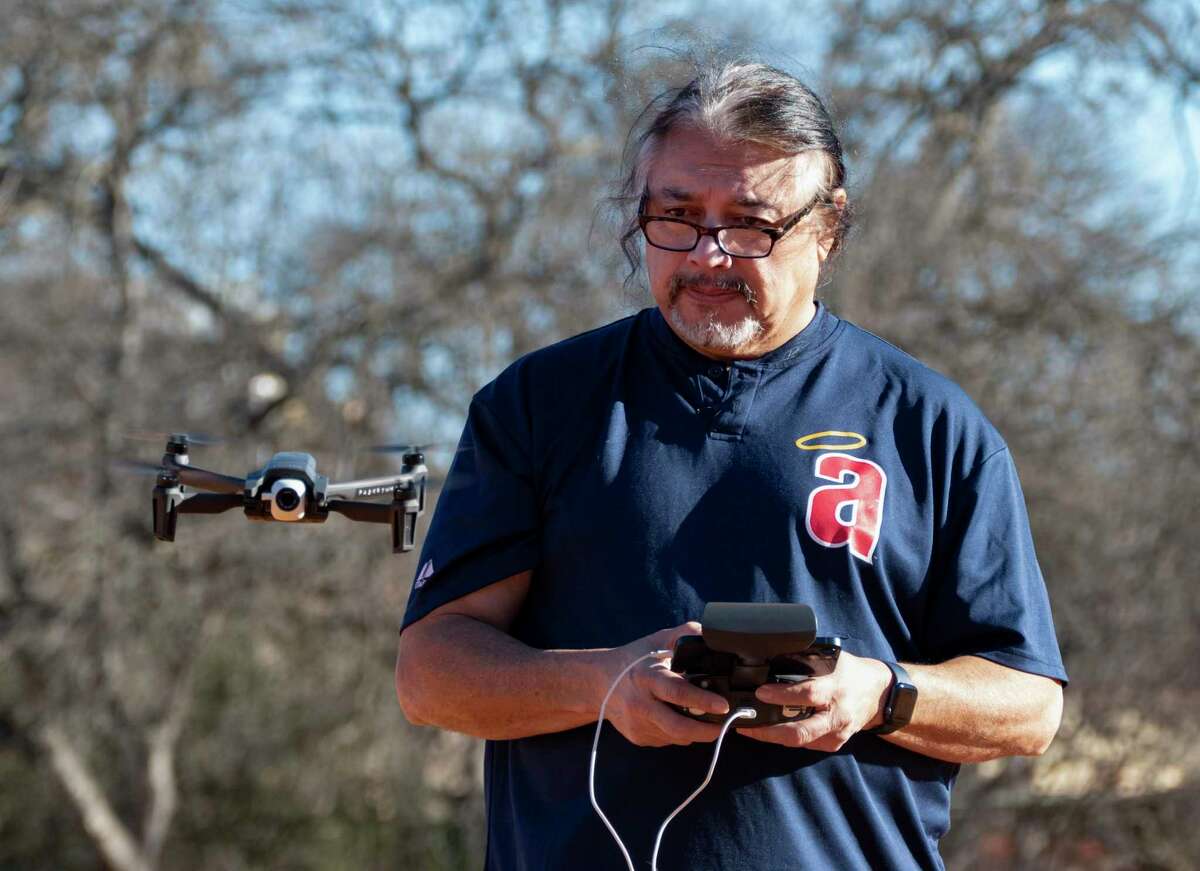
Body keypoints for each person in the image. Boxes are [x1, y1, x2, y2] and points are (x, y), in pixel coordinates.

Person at [395, 61, 1066, 870]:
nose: (709, 255)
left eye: (751, 224)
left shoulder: (933, 425)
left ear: (828, 228)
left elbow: (1028, 705)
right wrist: (605, 683)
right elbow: (431, 672)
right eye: (676, 216)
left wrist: (877, 695)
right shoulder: (538, 405)